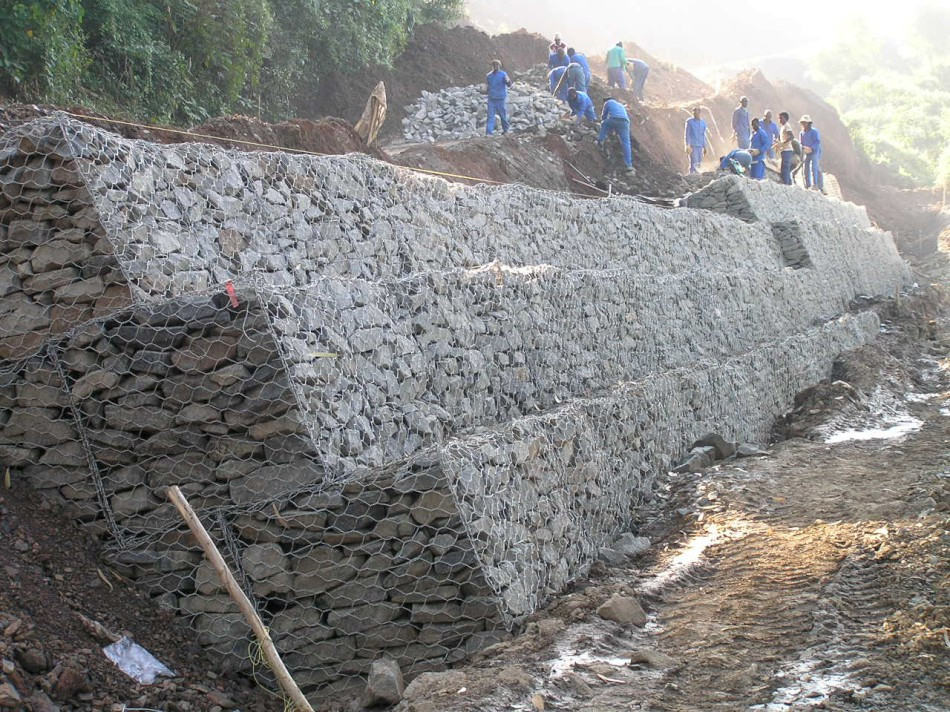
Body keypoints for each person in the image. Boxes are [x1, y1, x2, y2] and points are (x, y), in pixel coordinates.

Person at [598, 98, 634, 173]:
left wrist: (603, 121)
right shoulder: (621, 105)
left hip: (613, 119)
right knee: (626, 143)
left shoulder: (608, 102)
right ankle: (629, 165)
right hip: (625, 122)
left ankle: (600, 141)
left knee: (604, 124)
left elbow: (604, 116)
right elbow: (626, 118)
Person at [485, 60, 512, 136]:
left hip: (500, 98)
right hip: (492, 99)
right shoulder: (489, 76)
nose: (495, 66)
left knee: (502, 115)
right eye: (494, 65)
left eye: (497, 65)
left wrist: (508, 80)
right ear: (492, 66)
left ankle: (506, 129)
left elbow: (509, 84)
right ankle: (488, 133)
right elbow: (488, 86)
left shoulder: (503, 74)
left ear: (500, 66)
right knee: (490, 116)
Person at [799, 114, 823, 192]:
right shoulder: (801, 133)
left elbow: (817, 141)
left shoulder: (814, 131)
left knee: (814, 167)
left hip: (814, 151)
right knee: (805, 168)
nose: (803, 124)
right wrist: (803, 149)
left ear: (809, 123)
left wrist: (811, 148)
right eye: (802, 123)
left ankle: (815, 184)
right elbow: (801, 143)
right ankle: (807, 185)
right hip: (807, 152)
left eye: (805, 123)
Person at [684, 106, 708, 174]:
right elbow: (687, 134)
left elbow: (703, 135)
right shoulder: (689, 122)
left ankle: (698, 178)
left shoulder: (703, 123)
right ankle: (691, 176)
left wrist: (705, 146)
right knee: (694, 163)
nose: (695, 114)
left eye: (696, 113)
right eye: (694, 113)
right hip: (693, 146)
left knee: (699, 163)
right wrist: (687, 145)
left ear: (700, 113)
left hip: (700, 145)